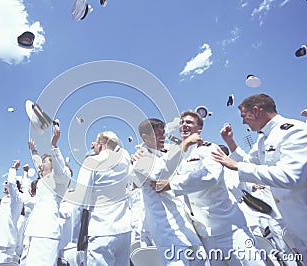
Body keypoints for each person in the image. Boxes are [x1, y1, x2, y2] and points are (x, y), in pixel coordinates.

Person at [151, 112, 264, 265]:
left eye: (190, 122)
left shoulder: (209, 148)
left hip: (230, 230)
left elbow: (211, 176)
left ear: (200, 128)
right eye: (182, 122)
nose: (184, 125)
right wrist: (141, 151)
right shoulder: (178, 156)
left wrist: (172, 184)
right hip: (204, 234)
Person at [211, 93, 307, 260]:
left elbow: (291, 176)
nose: (243, 122)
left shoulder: (293, 130)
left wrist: (237, 166)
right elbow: (249, 161)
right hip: (295, 227)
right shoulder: (263, 140)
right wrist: (230, 142)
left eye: (244, 116)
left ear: (255, 111)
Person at [131, 118, 204, 265]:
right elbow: (160, 174)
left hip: (185, 227)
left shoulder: (165, 154)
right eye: (158, 134)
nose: (163, 137)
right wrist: (184, 144)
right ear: (145, 137)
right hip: (167, 231)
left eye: (163, 133)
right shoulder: (141, 159)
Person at [74, 131, 132, 266]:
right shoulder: (125, 161)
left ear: (101, 144)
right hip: (124, 230)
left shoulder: (92, 161)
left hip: (101, 230)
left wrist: (76, 236)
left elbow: (79, 200)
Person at [21, 123, 71, 266]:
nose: (41, 165)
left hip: (47, 232)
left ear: (53, 164)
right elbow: (37, 164)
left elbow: (60, 169)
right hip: (33, 231)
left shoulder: (60, 179)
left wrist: (54, 144)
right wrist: (33, 151)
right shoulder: (42, 181)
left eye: (45, 162)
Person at [0, 160, 24, 265]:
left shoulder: (17, 199)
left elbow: (12, 184)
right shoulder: (4, 201)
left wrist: (13, 169)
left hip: (5, 244)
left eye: (7, 184)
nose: (6, 186)